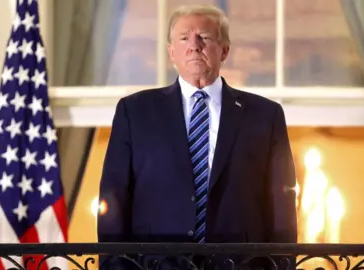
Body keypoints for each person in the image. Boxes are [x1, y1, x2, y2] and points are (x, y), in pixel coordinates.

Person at [97, 4, 297, 269]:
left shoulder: (265, 115)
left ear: (224, 50)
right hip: (156, 265)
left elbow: (281, 204)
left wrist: (284, 265)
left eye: (204, 36)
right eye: (183, 38)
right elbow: (114, 198)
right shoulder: (134, 112)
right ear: (171, 52)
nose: (194, 45)